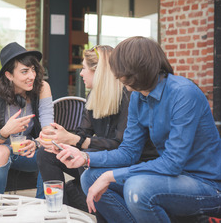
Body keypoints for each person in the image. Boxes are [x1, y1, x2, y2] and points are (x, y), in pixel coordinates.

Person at [54, 37, 221, 223]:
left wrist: (111, 175)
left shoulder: (183, 93)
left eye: (119, 69)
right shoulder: (137, 97)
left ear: (137, 68)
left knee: (138, 187)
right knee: (91, 176)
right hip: (171, 178)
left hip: (206, 185)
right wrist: (85, 158)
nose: (115, 74)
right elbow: (128, 152)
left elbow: (173, 163)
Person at [37, 45, 157, 215]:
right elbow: (82, 134)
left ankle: (94, 205)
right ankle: (59, 214)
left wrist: (77, 141)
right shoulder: (93, 96)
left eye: (84, 68)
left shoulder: (129, 97)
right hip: (99, 159)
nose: (80, 74)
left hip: (125, 164)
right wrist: (62, 139)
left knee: (83, 170)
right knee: (47, 153)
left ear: (98, 71)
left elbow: (121, 146)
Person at [0, 42, 54, 198]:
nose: (31, 76)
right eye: (24, 71)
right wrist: (7, 130)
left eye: (33, 70)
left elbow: (48, 131)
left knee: (50, 151)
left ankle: (41, 208)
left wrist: (36, 143)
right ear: (9, 75)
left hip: (27, 149)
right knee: (1, 151)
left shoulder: (42, 87)